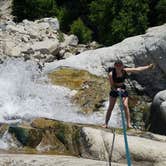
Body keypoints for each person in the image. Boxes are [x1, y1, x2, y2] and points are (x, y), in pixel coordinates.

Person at [103, 60, 154, 128]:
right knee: (110, 107)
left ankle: (128, 124)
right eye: (117, 66)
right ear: (115, 66)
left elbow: (137, 69)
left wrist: (148, 67)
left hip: (123, 89)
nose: (118, 67)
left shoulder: (125, 70)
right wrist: (116, 89)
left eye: (120, 66)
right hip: (114, 90)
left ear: (122, 66)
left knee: (125, 105)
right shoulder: (111, 74)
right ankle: (106, 123)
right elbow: (112, 85)